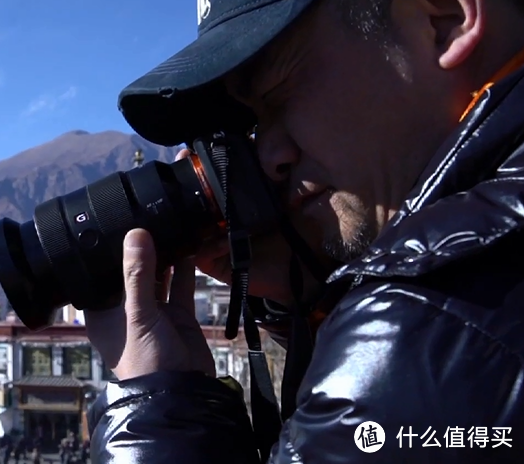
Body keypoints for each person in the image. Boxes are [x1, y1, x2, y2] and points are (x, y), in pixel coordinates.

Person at [85, 0, 524, 463]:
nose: (271, 158)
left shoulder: (416, 322)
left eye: (280, 93)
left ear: (444, 17)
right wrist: (310, 297)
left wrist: (160, 409)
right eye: (253, 125)